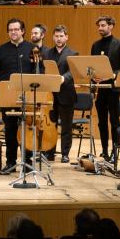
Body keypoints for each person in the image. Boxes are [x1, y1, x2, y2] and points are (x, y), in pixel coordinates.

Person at [0, 19, 36, 175]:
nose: (13, 32)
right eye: (10, 30)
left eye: (16, 29)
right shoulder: (1, 50)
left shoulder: (33, 49)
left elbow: (39, 72)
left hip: (28, 97)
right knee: (10, 130)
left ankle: (28, 162)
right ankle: (10, 162)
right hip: (7, 96)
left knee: (28, 130)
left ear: (23, 31)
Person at [91, 16, 120, 164]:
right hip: (100, 89)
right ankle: (104, 150)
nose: (100, 28)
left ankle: (115, 151)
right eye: (99, 25)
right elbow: (92, 65)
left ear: (111, 26)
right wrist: (93, 78)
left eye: (103, 25)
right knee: (101, 122)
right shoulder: (95, 45)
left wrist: (111, 75)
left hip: (113, 88)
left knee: (114, 121)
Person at [44, 25, 78, 163]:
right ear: (53, 37)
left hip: (66, 93)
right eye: (56, 36)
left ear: (66, 37)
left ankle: (65, 153)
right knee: (51, 125)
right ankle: (49, 153)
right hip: (50, 95)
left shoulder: (73, 53)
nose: (59, 39)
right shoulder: (46, 53)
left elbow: (73, 71)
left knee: (66, 126)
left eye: (61, 36)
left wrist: (63, 78)